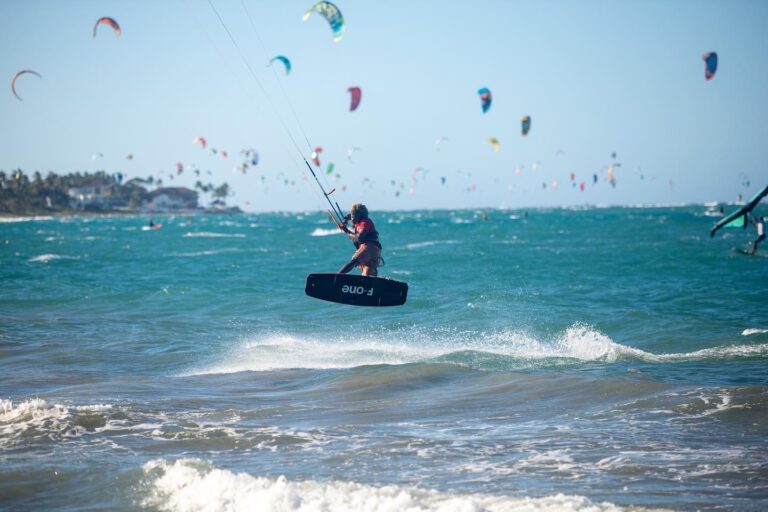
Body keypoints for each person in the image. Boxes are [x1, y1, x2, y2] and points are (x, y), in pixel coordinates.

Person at [338, 203, 382, 277]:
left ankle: (336, 277)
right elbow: (350, 215)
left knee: (354, 262)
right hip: (375, 252)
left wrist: (346, 230)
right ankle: (369, 287)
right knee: (366, 276)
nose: (351, 219)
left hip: (368, 248)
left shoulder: (364, 222)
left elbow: (359, 237)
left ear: (358, 215)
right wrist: (346, 218)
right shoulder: (360, 219)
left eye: (352, 216)